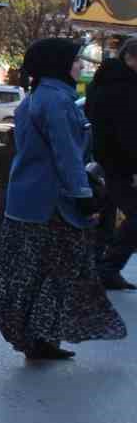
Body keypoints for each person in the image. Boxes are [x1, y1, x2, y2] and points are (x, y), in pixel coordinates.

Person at [0, 38, 126, 361]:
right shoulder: (58, 102)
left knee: (32, 271)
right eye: (76, 61)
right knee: (60, 270)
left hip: (29, 202)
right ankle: (36, 335)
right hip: (53, 205)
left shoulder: (38, 97)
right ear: (58, 64)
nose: (81, 66)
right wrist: (83, 195)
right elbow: (67, 155)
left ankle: (38, 336)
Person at [83, 36, 137, 291]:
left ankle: (96, 268)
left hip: (105, 160)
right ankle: (106, 269)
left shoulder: (101, 83)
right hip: (122, 164)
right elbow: (128, 132)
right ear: (130, 58)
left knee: (105, 216)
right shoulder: (125, 86)